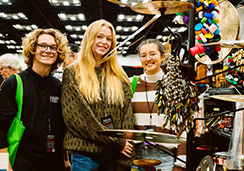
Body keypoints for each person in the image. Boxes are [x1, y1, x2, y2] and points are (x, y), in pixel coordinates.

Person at [61, 19, 134, 171]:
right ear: (89, 38)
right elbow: (77, 118)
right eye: (99, 37)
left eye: (109, 39)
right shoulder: (72, 73)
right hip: (84, 154)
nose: (104, 42)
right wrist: (116, 143)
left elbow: (127, 115)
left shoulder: (119, 75)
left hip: (113, 154)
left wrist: (125, 150)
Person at [0, 28, 70, 171]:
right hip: (22, 163)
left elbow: (62, 126)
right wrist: (3, 166)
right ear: (33, 48)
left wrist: (66, 158)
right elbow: (0, 128)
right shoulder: (15, 83)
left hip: (54, 164)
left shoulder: (59, 86)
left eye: (53, 47)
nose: (48, 50)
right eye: (42, 45)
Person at [131, 39, 176, 171]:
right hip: (137, 154)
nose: (148, 59)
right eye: (143, 55)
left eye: (152, 54)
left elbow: (182, 128)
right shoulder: (131, 84)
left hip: (165, 155)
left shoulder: (174, 85)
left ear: (162, 57)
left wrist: (181, 164)